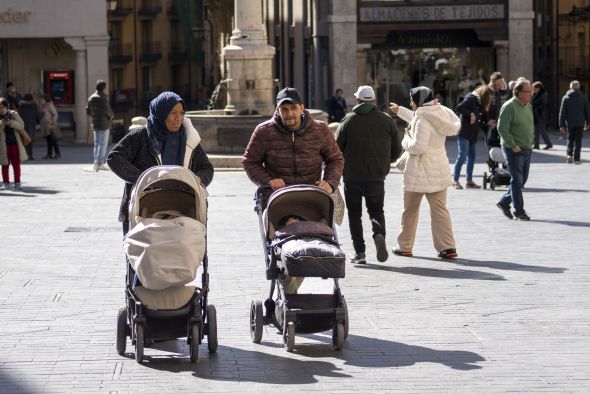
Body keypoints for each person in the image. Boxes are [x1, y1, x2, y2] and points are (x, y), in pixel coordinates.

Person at [242, 87, 344, 292]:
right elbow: (250, 162)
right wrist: (269, 180)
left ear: (302, 108)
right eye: (284, 109)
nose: (289, 114)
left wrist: (330, 182)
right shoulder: (264, 131)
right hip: (280, 201)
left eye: (293, 108)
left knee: (312, 240)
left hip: (311, 199)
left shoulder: (320, 129)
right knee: (287, 242)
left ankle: (292, 284)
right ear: (277, 110)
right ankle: (290, 286)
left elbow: (335, 159)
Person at [107, 91, 214, 235]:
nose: (179, 118)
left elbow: (206, 168)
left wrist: (196, 181)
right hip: (143, 211)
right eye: (173, 113)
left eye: (182, 113)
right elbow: (114, 158)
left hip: (182, 211)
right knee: (143, 254)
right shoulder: (141, 137)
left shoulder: (189, 140)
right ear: (161, 113)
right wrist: (142, 179)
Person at [389, 87, 460, 259]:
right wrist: (400, 111)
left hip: (419, 172)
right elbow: (417, 117)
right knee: (440, 210)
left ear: (417, 101)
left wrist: (405, 139)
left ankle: (404, 246)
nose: (411, 103)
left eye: (411, 100)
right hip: (439, 170)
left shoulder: (423, 120)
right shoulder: (439, 112)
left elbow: (417, 147)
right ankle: (448, 247)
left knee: (410, 211)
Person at [336, 85, 402, 264]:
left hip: (352, 177)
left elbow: (336, 148)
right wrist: (384, 163)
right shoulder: (386, 120)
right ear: (374, 101)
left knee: (355, 215)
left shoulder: (348, 121)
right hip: (376, 177)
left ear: (357, 100)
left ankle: (360, 253)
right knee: (376, 211)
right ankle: (379, 234)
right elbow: (397, 150)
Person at [495, 79, 535, 221]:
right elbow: (501, 128)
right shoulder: (509, 106)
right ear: (518, 93)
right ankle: (519, 211)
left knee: (522, 180)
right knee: (517, 180)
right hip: (513, 149)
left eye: (531, 91)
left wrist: (532, 141)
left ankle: (504, 202)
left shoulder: (528, 106)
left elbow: (530, 125)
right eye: (528, 91)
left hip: (527, 147)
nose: (531, 94)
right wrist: (513, 145)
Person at [452, 84, 494, 189]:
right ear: (484, 95)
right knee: (462, 156)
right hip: (464, 132)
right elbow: (459, 107)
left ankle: (469, 181)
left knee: (471, 158)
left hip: (473, 134)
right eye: (489, 97)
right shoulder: (471, 98)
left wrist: (488, 122)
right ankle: (455, 180)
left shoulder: (479, 102)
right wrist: (470, 113)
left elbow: (482, 117)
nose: (489, 100)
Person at [1, 97, 30, 190]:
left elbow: (21, 125)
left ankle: (17, 183)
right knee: (4, 164)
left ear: (6, 107)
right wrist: (1, 124)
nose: (0, 109)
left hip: (14, 144)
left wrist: (10, 123)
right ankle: (6, 183)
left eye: (1, 107)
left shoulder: (13, 114)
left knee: (16, 164)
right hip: (2, 146)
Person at [558, 80, 590, 164]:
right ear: (579, 87)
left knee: (570, 139)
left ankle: (569, 155)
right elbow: (587, 111)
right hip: (580, 122)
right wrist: (588, 122)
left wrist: (561, 125)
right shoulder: (583, 97)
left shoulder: (566, 97)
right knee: (578, 141)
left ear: (570, 87)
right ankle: (577, 159)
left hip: (570, 122)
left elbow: (562, 112)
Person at [87, 80, 114, 171]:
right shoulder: (102, 99)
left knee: (97, 144)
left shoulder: (91, 98)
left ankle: (96, 163)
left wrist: (95, 117)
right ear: (103, 89)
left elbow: (88, 111)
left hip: (95, 123)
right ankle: (100, 163)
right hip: (104, 124)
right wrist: (110, 117)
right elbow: (108, 111)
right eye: (106, 88)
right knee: (102, 144)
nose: (106, 89)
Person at [18, 94, 41, 160]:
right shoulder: (34, 106)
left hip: (23, 126)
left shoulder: (21, 107)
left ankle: (24, 155)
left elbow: (18, 116)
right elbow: (38, 116)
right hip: (32, 125)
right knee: (31, 140)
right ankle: (30, 155)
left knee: (23, 140)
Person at [532, 81, 552, 150]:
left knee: (542, 130)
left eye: (535, 88)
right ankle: (536, 145)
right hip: (536, 115)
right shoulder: (536, 94)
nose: (534, 89)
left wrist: (536, 109)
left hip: (541, 115)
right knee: (536, 131)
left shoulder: (543, 94)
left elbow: (544, 105)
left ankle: (549, 144)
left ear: (539, 88)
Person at [40, 94, 61, 159]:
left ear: (45, 99)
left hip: (50, 126)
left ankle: (57, 153)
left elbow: (55, 114)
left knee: (53, 140)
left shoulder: (50, 105)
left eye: (42, 99)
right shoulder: (43, 106)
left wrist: (52, 122)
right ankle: (49, 154)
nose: (41, 100)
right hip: (46, 126)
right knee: (49, 141)